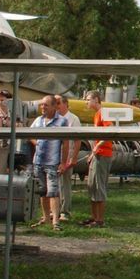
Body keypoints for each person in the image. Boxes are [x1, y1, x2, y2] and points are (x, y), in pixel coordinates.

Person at [30, 95, 65, 230]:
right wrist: (36, 142)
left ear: (54, 106)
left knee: (53, 192)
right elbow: (30, 135)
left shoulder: (62, 121)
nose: (42, 107)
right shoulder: (38, 120)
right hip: (38, 161)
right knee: (42, 191)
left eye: (46, 105)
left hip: (53, 161)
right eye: (41, 105)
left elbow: (66, 143)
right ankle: (45, 218)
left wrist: (63, 162)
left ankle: (56, 221)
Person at [83, 91, 112, 227]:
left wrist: (98, 147)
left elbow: (110, 131)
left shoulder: (104, 112)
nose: (86, 102)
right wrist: (92, 153)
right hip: (97, 154)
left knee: (99, 186)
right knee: (92, 186)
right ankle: (94, 217)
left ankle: (100, 220)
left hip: (103, 154)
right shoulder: (96, 115)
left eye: (88, 99)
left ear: (96, 99)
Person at [54, 95, 79, 221]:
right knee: (54, 184)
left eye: (58, 103)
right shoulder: (54, 118)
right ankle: (55, 210)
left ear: (65, 104)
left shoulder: (73, 119)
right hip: (54, 155)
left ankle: (65, 211)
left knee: (65, 184)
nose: (56, 105)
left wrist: (73, 158)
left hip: (67, 155)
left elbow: (78, 140)